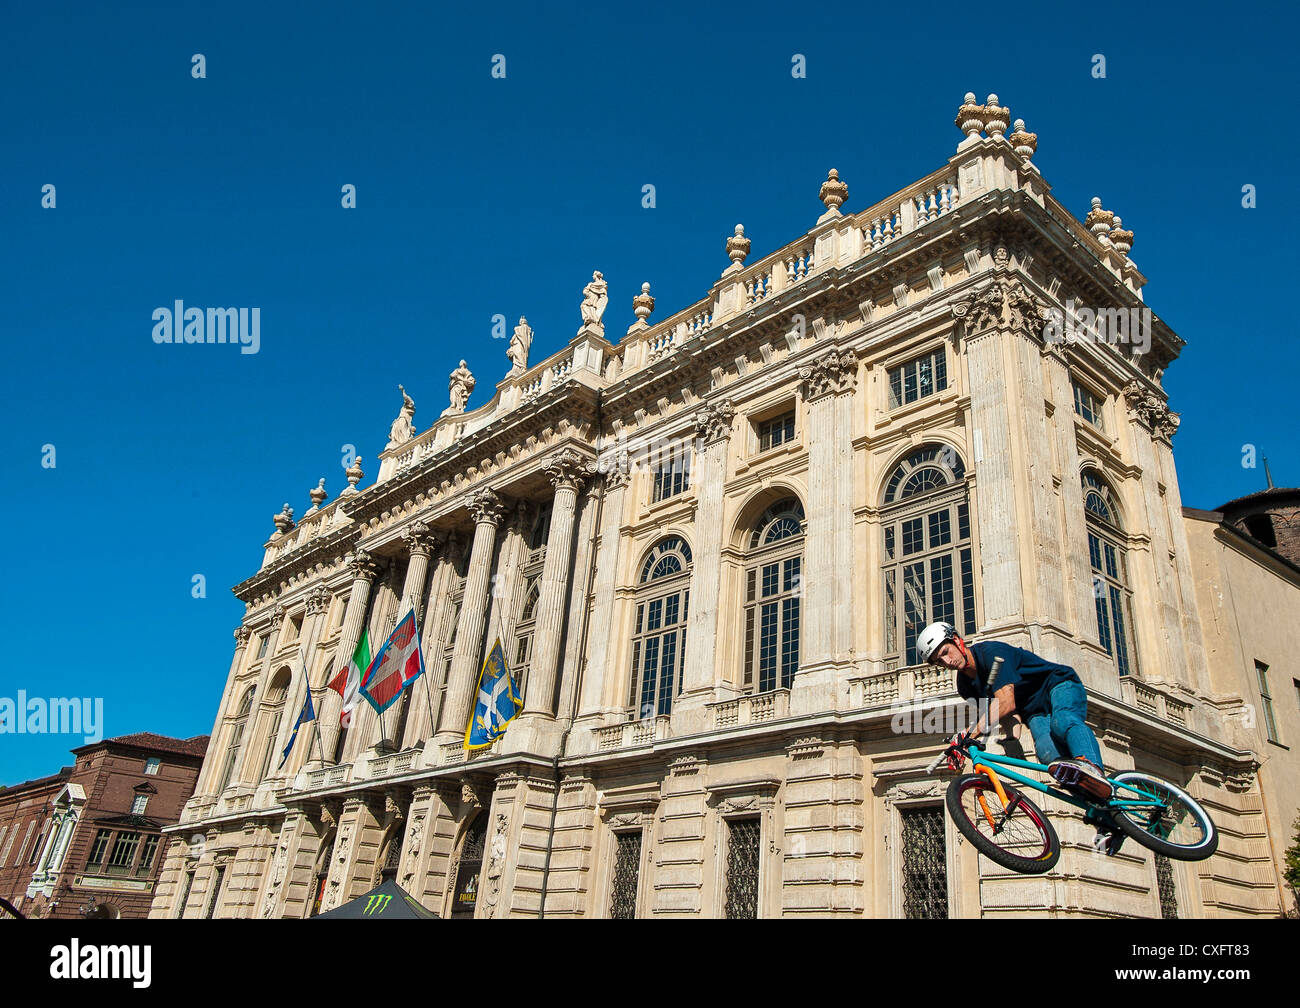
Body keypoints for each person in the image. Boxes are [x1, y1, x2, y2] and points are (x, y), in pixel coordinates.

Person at [916, 621, 1124, 854]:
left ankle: (1093, 767)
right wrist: (1011, 740)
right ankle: (1106, 816)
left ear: (957, 640)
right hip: (1034, 711)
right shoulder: (965, 686)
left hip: (1058, 684)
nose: (947, 662)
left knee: (1062, 722)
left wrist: (969, 734)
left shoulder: (992, 654)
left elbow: (1005, 701)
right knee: (1049, 757)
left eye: (945, 652)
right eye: (939, 661)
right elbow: (1006, 712)